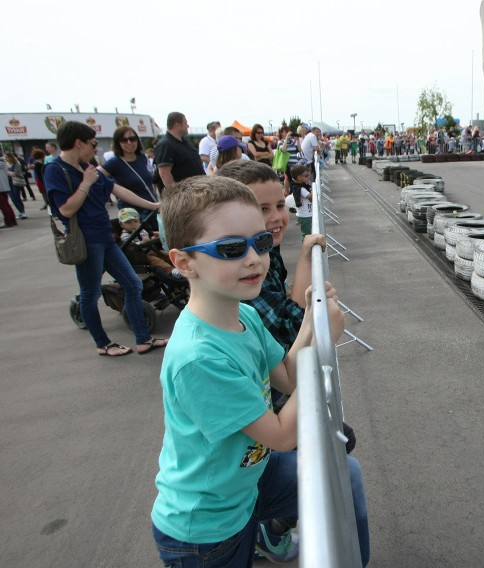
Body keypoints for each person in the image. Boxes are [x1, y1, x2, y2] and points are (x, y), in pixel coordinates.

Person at [151, 175, 369, 567]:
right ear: (184, 262)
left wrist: (311, 322)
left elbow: (286, 374)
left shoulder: (244, 316)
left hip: (247, 479)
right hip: (206, 527)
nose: (253, 258)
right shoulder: (199, 359)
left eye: (261, 242)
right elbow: (284, 435)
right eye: (232, 248)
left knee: (345, 475)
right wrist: (324, 345)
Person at [44, 120, 168, 357]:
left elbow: (116, 189)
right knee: (90, 294)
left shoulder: (87, 167)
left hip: (105, 237)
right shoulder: (55, 170)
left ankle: (143, 339)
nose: (95, 149)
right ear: (78, 143)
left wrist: (153, 204)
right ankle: (103, 343)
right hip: (86, 241)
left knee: (133, 283)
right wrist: (86, 184)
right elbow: (66, 210)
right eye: (92, 144)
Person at [101, 126, 159, 225]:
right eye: (124, 140)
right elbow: (95, 176)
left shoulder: (142, 157)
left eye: (132, 139)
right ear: (118, 143)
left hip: (153, 207)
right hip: (134, 214)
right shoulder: (114, 162)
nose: (129, 143)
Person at [117, 207, 182, 279]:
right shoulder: (125, 236)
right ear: (121, 225)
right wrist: (142, 242)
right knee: (158, 262)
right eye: (128, 222)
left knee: (169, 255)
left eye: (135, 221)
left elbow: (148, 237)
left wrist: (153, 236)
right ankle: (172, 271)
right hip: (143, 255)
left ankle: (182, 265)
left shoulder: (141, 230)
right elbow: (131, 247)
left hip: (153, 249)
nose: (133, 224)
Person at [154, 111, 205, 191]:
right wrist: (176, 194)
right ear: (177, 125)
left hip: (198, 190)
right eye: (185, 123)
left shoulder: (185, 142)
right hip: (185, 194)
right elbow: (164, 173)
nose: (188, 126)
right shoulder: (165, 145)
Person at [288, 164, 313, 241]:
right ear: (299, 177)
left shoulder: (303, 186)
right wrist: (313, 189)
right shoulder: (301, 188)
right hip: (305, 216)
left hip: (306, 214)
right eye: (306, 175)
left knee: (310, 233)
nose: (309, 177)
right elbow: (311, 197)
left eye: (309, 174)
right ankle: (307, 247)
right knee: (307, 235)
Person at [4, 152, 27, 219]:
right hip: (9, 183)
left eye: (6, 157)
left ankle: (22, 212)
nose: (6, 158)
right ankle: (20, 212)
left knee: (17, 197)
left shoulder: (16, 164)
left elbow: (18, 173)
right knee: (13, 198)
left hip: (16, 182)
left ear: (10, 157)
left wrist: (10, 173)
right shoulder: (6, 164)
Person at [0, 159, 17, 228]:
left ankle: (8, 221)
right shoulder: (3, 163)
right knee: (6, 205)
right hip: (5, 186)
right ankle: (13, 220)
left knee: (3, 206)